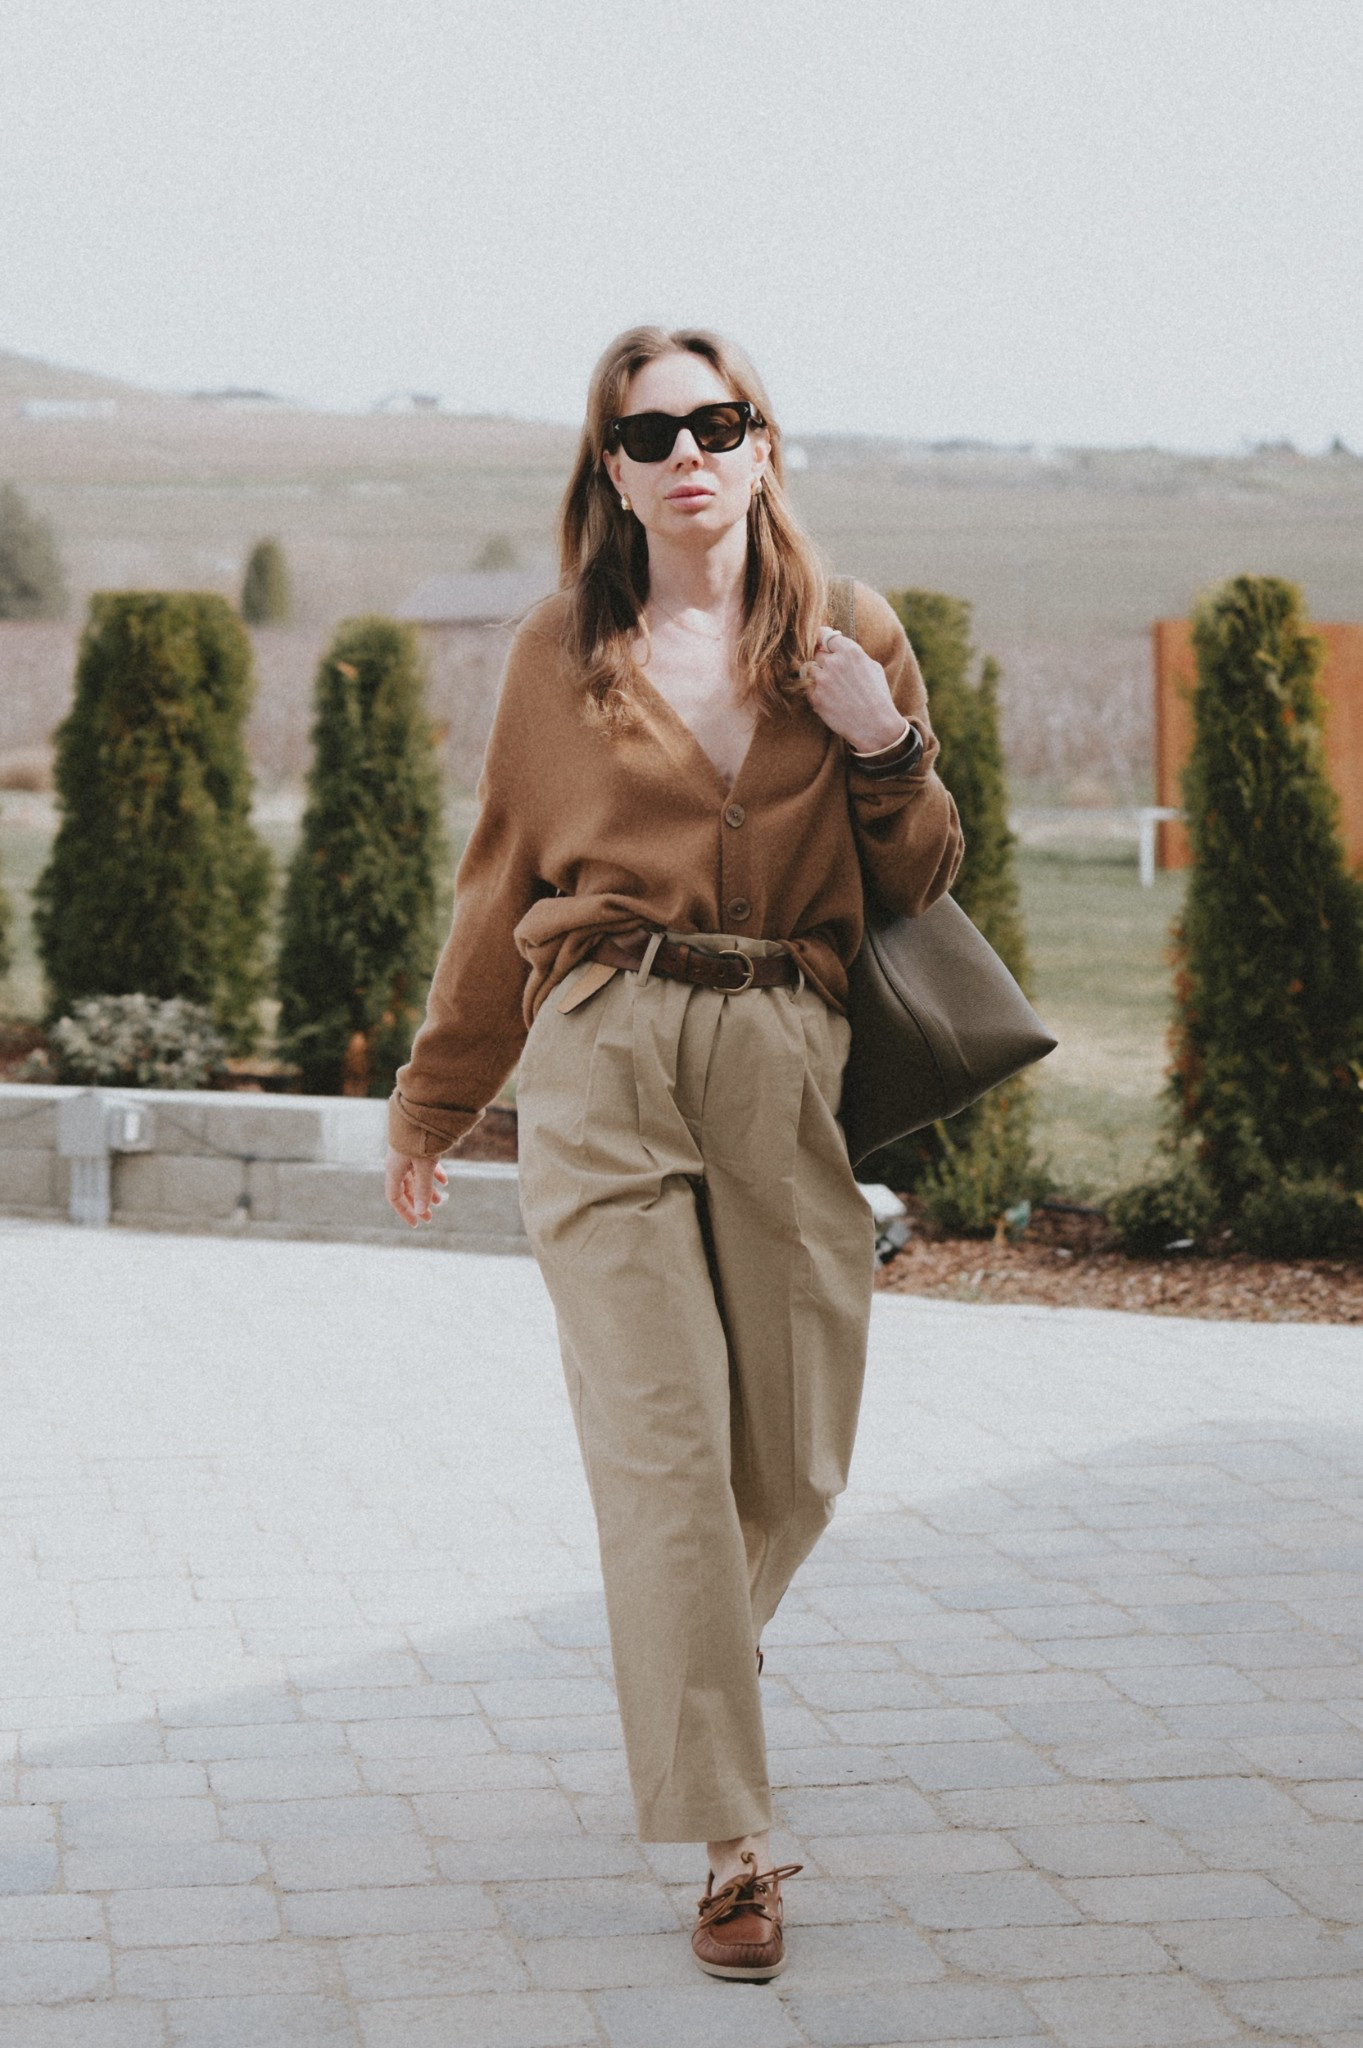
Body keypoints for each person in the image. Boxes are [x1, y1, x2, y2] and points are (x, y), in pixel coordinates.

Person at [385, 326, 963, 1979]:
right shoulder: (558, 652)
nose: (688, 453)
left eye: (720, 422)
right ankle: (734, 1848)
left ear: (766, 448)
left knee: (792, 1459)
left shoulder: (851, 636)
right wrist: (440, 1096)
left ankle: (686, 1643)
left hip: (784, 1048)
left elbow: (921, 869)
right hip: (605, 1051)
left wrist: (882, 737)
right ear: (612, 469)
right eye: (651, 434)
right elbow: (499, 884)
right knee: (661, 1457)